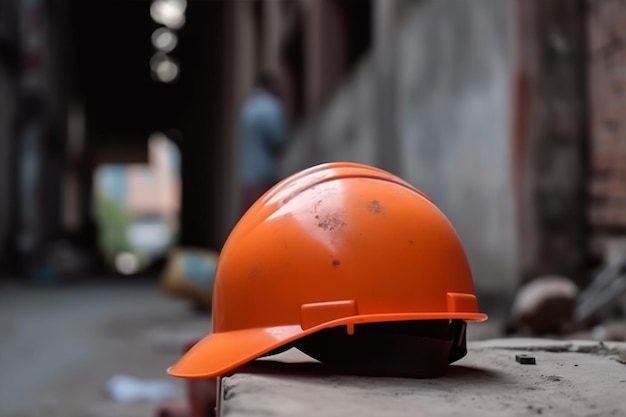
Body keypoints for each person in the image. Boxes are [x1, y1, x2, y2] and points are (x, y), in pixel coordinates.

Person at [238, 70, 288, 215]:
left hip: (248, 178)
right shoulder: (271, 107)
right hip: (266, 177)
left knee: (251, 220)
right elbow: (279, 139)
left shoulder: (247, 109)